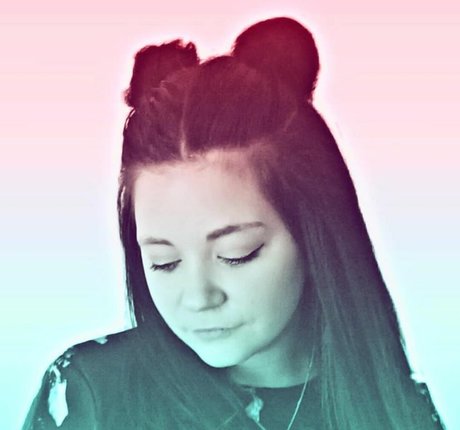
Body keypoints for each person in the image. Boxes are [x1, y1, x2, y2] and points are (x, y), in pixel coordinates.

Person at [22, 17, 445, 430]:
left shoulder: (401, 411)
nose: (198, 298)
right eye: (164, 262)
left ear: (313, 234)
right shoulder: (92, 393)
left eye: (236, 255)